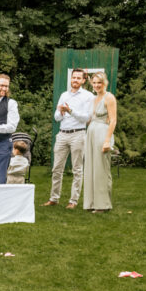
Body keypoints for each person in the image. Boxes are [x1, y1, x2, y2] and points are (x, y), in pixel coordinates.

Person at [45, 68, 94, 208]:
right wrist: (61, 111)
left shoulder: (88, 96)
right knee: (56, 169)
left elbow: (87, 117)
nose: (75, 80)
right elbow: (56, 117)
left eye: (79, 78)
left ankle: (73, 201)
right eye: (74, 78)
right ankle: (54, 198)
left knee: (77, 169)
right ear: (71, 79)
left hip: (78, 134)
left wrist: (70, 111)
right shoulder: (64, 95)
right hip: (62, 134)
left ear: (84, 80)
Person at [83, 72, 117, 212]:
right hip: (91, 133)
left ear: (105, 83)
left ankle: (103, 205)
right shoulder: (94, 98)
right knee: (91, 169)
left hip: (102, 134)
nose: (97, 85)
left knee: (101, 170)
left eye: (99, 83)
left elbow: (113, 120)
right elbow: (90, 117)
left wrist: (107, 140)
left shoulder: (109, 97)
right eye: (94, 83)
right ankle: (92, 203)